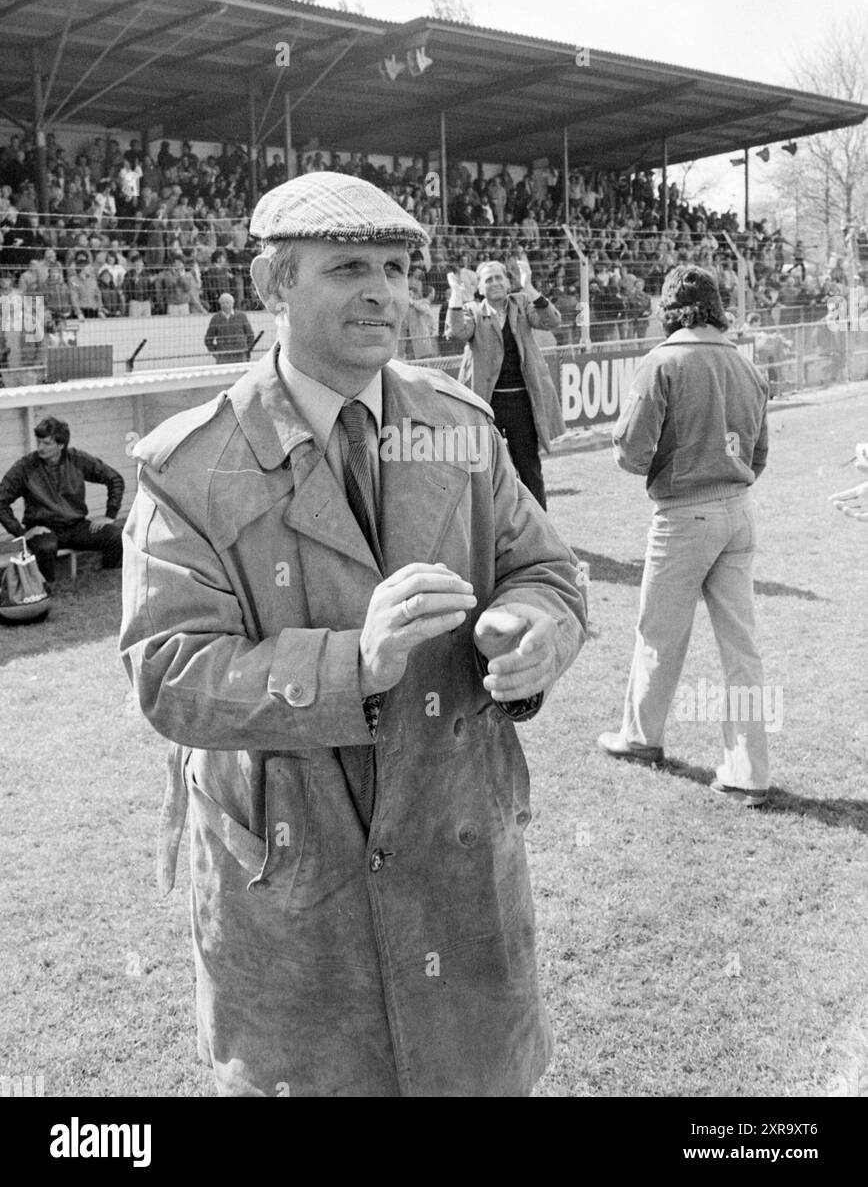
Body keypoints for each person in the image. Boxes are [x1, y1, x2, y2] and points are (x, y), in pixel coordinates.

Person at [119, 171, 585, 1099]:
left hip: (461, 869)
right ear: (272, 285)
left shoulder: (459, 429)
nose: (383, 290)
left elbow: (548, 570)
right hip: (298, 894)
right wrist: (352, 665)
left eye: (397, 267)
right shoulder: (192, 465)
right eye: (347, 266)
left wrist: (534, 630)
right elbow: (169, 673)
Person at [598, 265, 771, 807]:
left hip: (684, 513)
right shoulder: (746, 363)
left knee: (659, 634)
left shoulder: (662, 361)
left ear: (670, 309)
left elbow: (631, 452)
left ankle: (640, 737)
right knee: (741, 648)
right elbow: (759, 454)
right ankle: (748, 769)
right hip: (738, 510)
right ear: (717, 306)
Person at [444, 258, 564, 509]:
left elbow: (552, 321)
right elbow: (457, 332)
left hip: (522, 403)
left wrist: (528, 286)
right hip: (487, 404)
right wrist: (456, 293)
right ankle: (492, 529)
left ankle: (539, 528)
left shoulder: (521, 304)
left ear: (509, 282)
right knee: (485, 468)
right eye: (488, 279)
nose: (495, 283)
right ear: (479, 288)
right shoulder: (473, 312)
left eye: (499, 277)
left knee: (529, 467)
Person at [0, 416, 124, 588]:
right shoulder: (25, 467)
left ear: (61, 445)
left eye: (46, 443)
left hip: (76, 526)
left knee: (115, 535)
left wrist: (110, 515)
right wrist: (21, 532)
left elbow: (115, 479)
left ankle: (107, 579)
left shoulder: (78, 459)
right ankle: (45, 590)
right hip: (43, 529)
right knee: (46, 547)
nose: (40, 447)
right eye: (39, 442)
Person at [203, 292, 254, 364]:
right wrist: (215, 353)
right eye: (223, 303)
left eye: (227, 302)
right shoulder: (215, 318)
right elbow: (208, 339)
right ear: (220, 305)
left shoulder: (241, 316)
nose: (225, 305)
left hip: (240, 354)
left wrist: (247, 350)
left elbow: (250, 335)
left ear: (232, 303)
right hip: (223, 355)